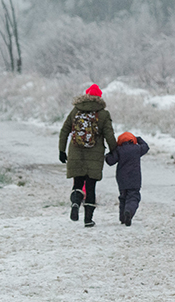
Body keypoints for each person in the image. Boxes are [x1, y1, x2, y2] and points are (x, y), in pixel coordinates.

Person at [58, 83, 117, 228]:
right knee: (91, 187)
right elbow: (109, 134)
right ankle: (88, 220)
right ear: (99, 97)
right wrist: (114, 151)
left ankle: (76, 202)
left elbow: (64, 130)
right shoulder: (103, 114)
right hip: (95, 154)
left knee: (78, 183)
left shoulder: (75, 111)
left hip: (75, 152)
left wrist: (62, 150)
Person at [105, 131, 150, 226]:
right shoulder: (137, 149)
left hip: (122, 179)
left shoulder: (119, 150)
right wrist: (138, 139)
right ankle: (129, 211)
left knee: (123, 197)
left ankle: (123, 218)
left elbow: (110, 161)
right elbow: (146, 147)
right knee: (133, 197)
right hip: (135, 179)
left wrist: (110, 153)